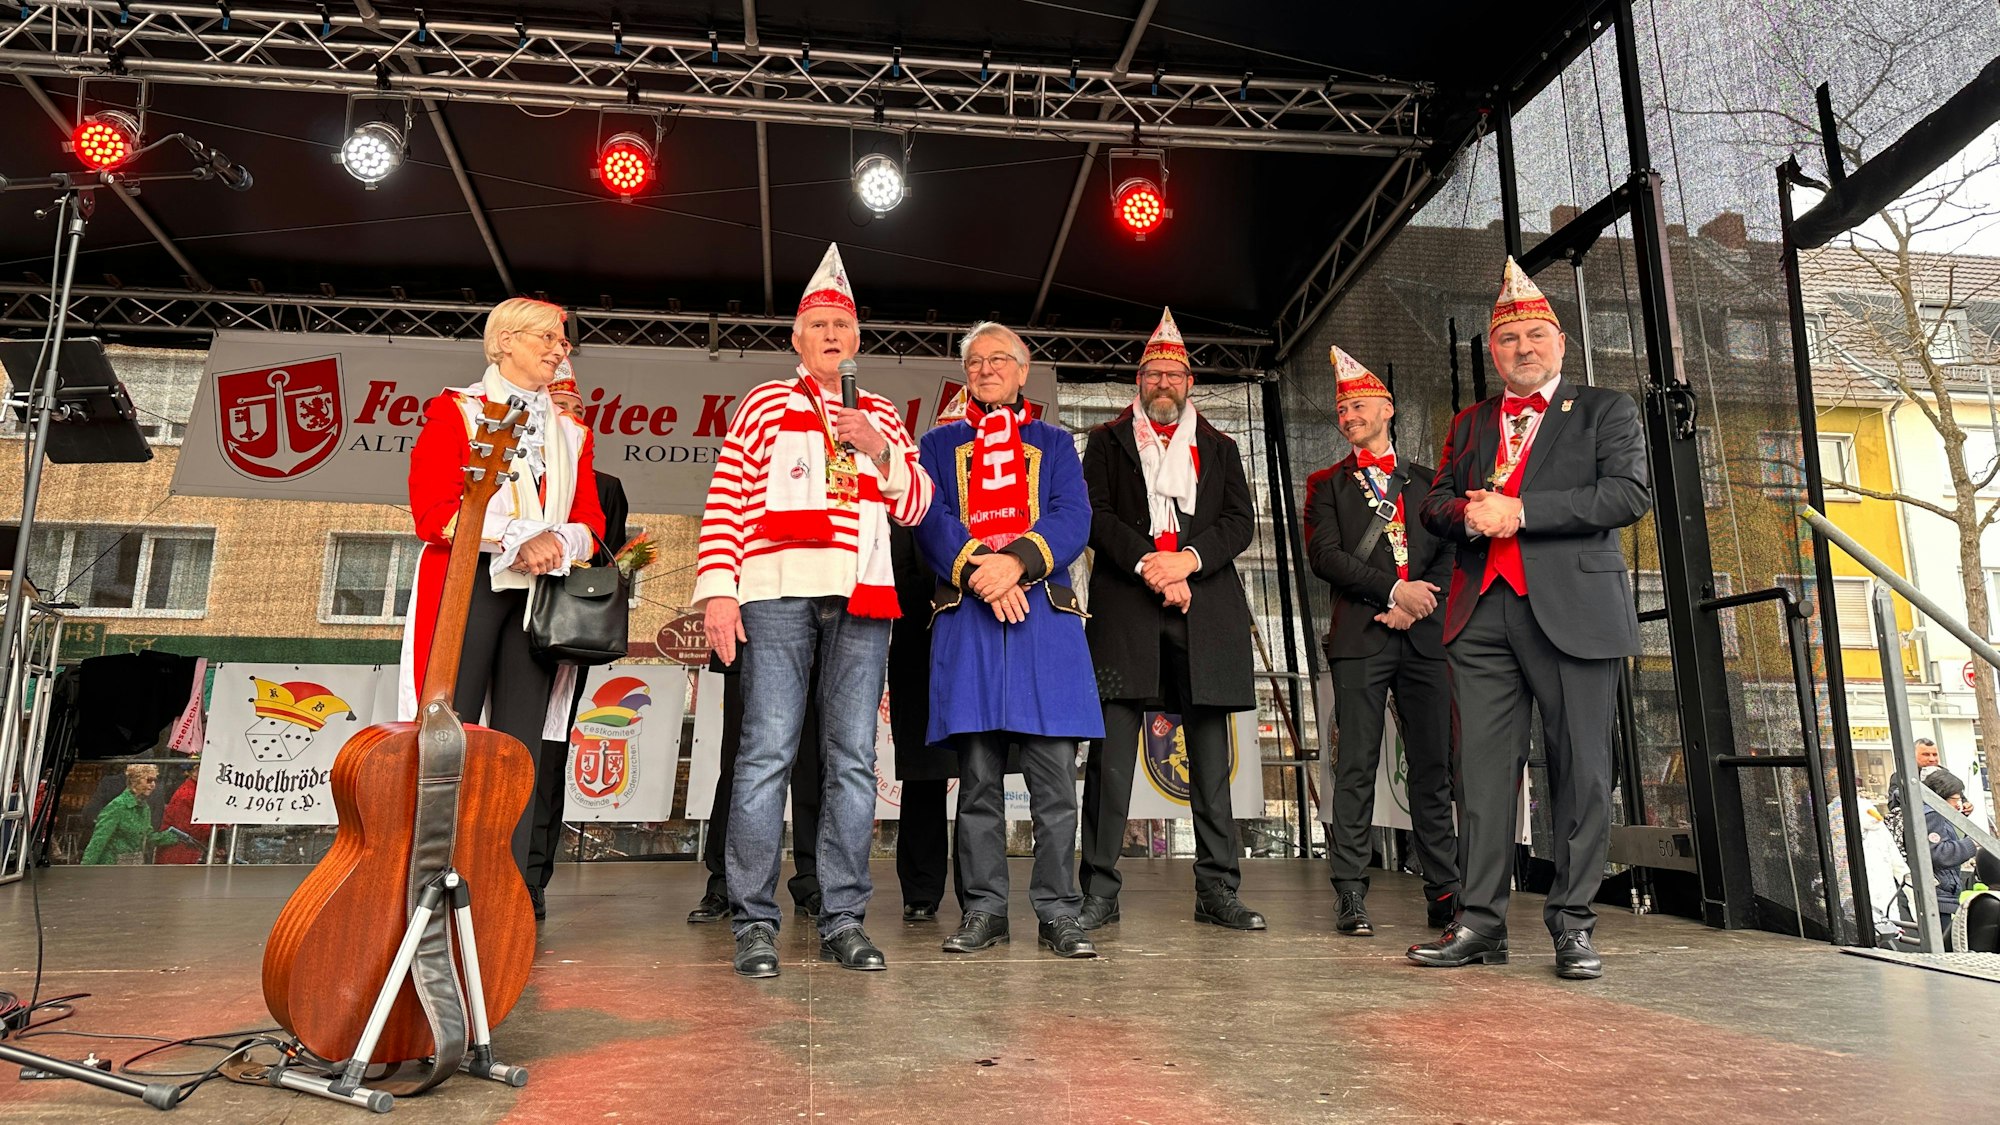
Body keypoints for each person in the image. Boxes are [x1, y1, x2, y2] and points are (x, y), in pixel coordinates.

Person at [693, 243, 934, 978]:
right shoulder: (765, 402)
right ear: (797, 339)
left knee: (853, 762)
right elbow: (728, 496)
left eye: (843, 326)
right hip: (774, 594)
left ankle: (843, 918)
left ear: (859, 340)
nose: (832, 336)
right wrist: (718, 590)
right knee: (765, 752)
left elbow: (918, 504)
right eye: (819, 325)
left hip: (863, 597)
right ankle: (755, 920)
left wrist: (879, 449)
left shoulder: (883, 412)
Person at [1413, 258, 1651, 980]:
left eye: (1535, 334)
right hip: (1483, 611)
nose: (1523, 347)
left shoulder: (1606, 409)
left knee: (1579, 771)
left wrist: (1521, 512)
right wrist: (1470, 515)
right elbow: (1434, 503)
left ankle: (1573, 923)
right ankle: (1479, 921)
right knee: (1481, 776)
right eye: (1509, 337)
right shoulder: (1470, 421)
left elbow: (1628, 494)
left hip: (1575, 610)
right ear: (1493, 352)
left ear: (1561, 343)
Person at [399, 296, 607, 898]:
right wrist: (519, 538)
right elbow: (432, 512)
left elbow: (591, 520)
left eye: (563, 341)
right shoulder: (455, 412)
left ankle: (504, 894)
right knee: (447, 734)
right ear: (504, 341)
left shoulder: (572, 432)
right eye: (545, 337)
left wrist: (558, 541)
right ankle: (428, 885)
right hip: (469, 586)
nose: (557, 349)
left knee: (521, 749)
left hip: (541, 601)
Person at [1076, 307, 1266, 933]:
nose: (1163, 384)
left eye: (1173, 376)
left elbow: (1239, 522)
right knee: (1109, 761)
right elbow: (1094, 516)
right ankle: (1099, 890)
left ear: (1190, 385)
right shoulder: (1104, 443)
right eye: (1153, 374)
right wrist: (1151, 566)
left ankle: (1217, 888)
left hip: (1205, 610)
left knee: (1212, 762)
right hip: (1126, 612)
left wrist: (1186, 561)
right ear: (1139, 383)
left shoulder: (1221, 446)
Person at [916, 322, 1100, 960]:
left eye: (1001, 360)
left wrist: (1015, 564)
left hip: (1043, 618)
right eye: (976, 361)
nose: (987, 369)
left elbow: (1072, 515)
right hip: (970, 616)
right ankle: (985, 909)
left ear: (1025, 373)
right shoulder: (937, 444)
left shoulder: (1055, 441)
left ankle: (1059, 912)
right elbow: (929, 519)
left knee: (1054, 783)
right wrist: (983, 575)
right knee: (977, 782)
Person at [1304, 345, 1459, 937]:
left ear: (1388, 408)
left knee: (1432, 766)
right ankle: (1350, 890)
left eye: (1359, 406)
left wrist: (1420, 602)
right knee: (1357, 765)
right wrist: (1396, 595)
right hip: (1361, 638)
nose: (1349, 417)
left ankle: (1444, 889)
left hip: (1425, 638)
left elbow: (1450, 549)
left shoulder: (1426, 481)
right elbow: (1326, 558)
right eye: (1342, 411)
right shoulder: (1326, 485)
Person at [523, 364, 633, 920]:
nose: (567, 417)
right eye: (555, 406)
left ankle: (533, 874)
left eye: (576, 410)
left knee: (547, 748)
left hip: (561, 631)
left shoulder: (605, 486)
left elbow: (600, 554)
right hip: (504, 613)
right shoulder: (512, 470)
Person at [686, 656, 824, 923]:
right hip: (748, 636)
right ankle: (724, 882)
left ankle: (813, 880)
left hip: (814, 637)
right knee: (738, 763)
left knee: (811, 762)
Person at [887, 521, 960, 921]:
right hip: (918, 641)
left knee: (980, 771)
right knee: (923, 774)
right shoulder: (910, 508)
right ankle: (920, 888)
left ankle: (979, 891)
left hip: (980, 634)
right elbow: (897, 580)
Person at [1921, 769, 1981, 950]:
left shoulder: (1935, 813)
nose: (1959, 804)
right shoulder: (1932, 814)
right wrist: (1972, 844)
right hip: (1938, 895)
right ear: (1942, 796)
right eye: (1956, 799)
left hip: (1941, 895)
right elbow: (1939, 853)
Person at [81, 764, 184, 864]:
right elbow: (98, 841)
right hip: (111, 866)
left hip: (133, 867)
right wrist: (85, 871)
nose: (153, 785)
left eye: (154, 781)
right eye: (148, 780)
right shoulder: (118, 806)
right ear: (135, 781)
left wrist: (173, 837)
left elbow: (147, 837)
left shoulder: (144, 808)